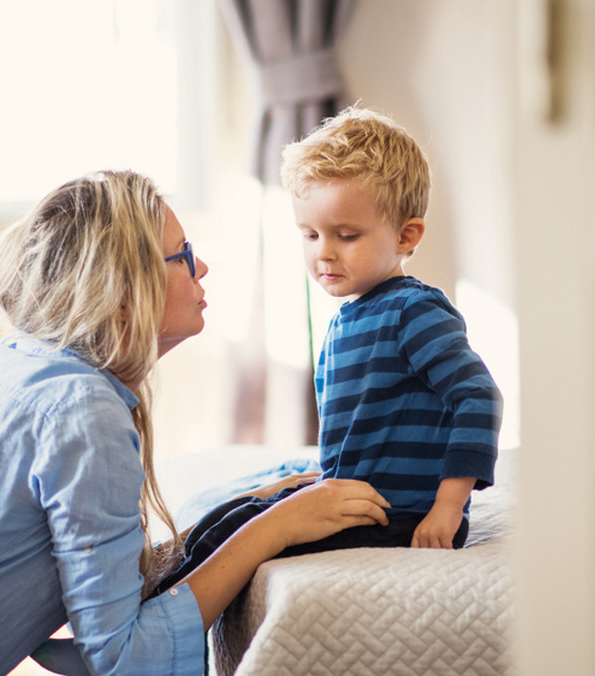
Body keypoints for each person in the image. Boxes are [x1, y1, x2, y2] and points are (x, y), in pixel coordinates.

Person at [0, 170, 391, 675]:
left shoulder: (18, 361)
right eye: (183, 256)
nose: (203, 267)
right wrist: (276, 527)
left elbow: (105, 586)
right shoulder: (82, 410)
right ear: (123, 294)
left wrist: (243, 511)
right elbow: (123, 660)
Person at [150, 106, 502, 590]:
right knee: (231, 515)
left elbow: (478, 398)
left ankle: (151, 618)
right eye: (310, 235)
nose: (324, 253)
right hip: (353, 501)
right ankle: (138, 600)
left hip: (396, 516)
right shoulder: (348, 317)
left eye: (347, 235)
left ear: (406, 235)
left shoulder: (412, 312)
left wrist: (447, 508)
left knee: (243, 535)